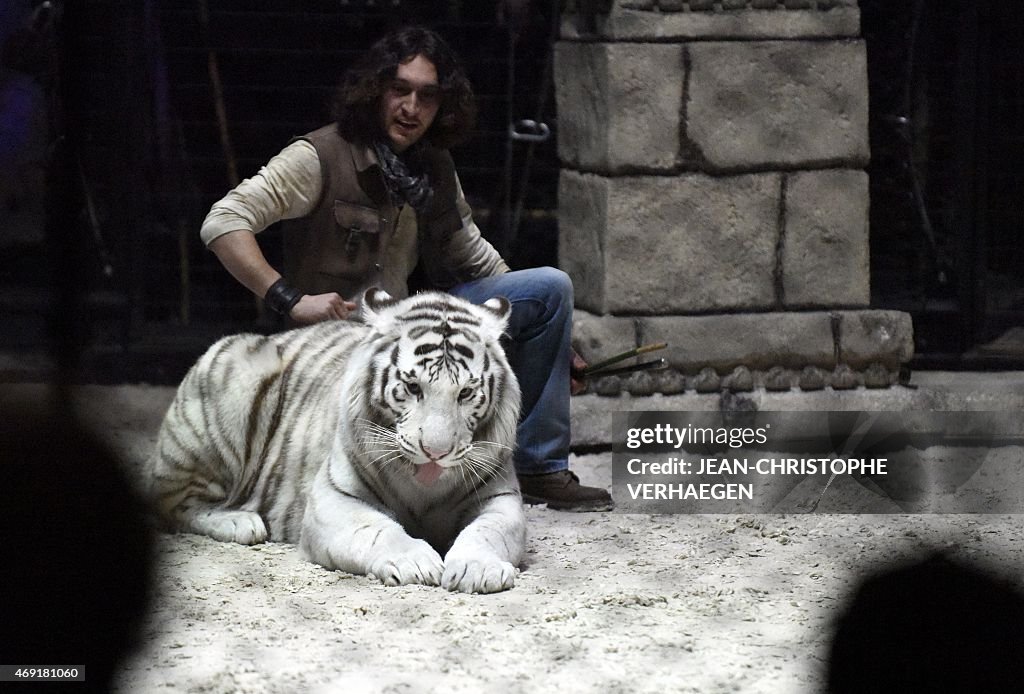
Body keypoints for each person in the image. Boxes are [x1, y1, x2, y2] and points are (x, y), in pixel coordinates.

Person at [199, 26, 612, 512]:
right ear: (376, 90)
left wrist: (551, 337)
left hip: (407, 335)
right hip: (337, 343)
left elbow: (472, 253)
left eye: (427, 96)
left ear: (443, 105)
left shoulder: (433, 166)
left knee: (549, 289)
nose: (411, 108)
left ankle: (539, 468)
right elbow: (223, 221)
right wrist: (289, 298)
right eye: (399, 90)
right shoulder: (320, 156)